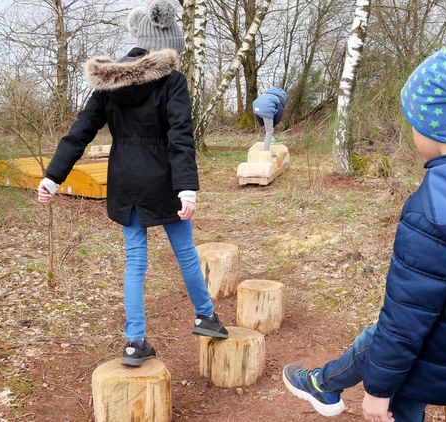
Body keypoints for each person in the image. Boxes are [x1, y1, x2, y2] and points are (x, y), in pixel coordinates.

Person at [282, 42, 446, 421]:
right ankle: (324, 384)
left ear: (433, 128)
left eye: (414, 125)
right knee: (374, 340)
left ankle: (325, 384)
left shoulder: (432, 210)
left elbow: (407, 318)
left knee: (384, 351)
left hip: (431, 351)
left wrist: (378, 392)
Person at [36, 0, 228, 368]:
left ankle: (134, 341)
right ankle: (205, 317)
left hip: (125, 182)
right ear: (168, 43)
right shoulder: (172, 80)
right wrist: (187, 187)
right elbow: (180, 136)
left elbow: (79, 133)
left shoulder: (108, 82)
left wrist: (52, 177)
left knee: (135, 260)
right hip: (164, 181)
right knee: (185, 252)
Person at [252, 87, 288, 152]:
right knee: (269, 130)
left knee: (268, 129)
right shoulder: (280, 99)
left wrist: (261, 123)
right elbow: (279, 114)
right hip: (266, 110)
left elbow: (258, 105)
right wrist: (274, 124)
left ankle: (269, 140)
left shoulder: (266, 94)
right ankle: (265, 151)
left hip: (255, 108)